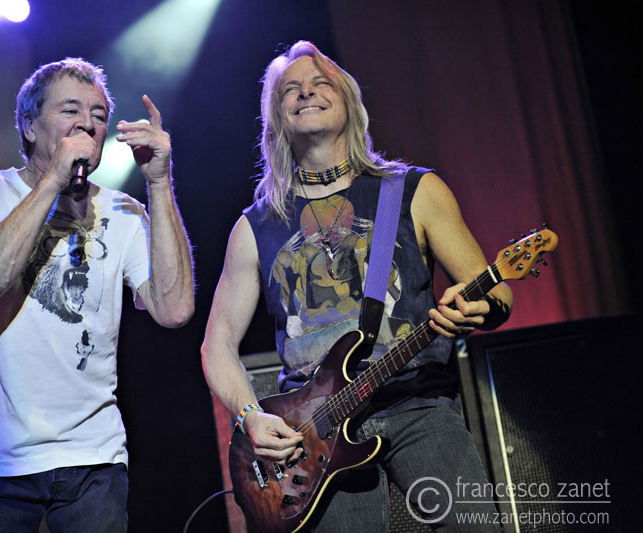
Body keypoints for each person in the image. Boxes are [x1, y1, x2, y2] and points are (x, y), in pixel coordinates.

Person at [201, 41, 513, 531]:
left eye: (320, 83)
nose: (306, 92)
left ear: (348, 101)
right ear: (276, 118)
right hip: (313, 435)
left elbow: (496, 293)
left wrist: (480, 310)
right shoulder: (254, 227)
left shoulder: (415, 191)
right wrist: (249, 417)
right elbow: (216, 344)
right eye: (290, 89)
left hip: (418, 404)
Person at [0, 57, 194, 532]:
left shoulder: (123, 211)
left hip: (94, 459)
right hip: (0, 459)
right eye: (69, 110)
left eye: (98, 115)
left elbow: (174, 309)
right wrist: (53, 182)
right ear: (29, 126)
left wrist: (159, 183)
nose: (87, 123)